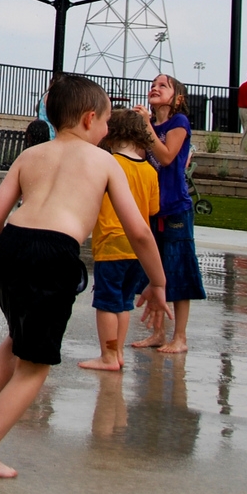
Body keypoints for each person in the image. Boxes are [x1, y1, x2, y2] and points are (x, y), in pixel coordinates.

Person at [0, 74, 169, 478]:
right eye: (106, 122)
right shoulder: (104, 161)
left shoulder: (31, 155)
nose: (107, 131)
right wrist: (157, 283)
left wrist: (4, 255)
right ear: (90, 119)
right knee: (35, 364)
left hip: (13, 244)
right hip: (54, 252)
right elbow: (138, 230)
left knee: (17, 337)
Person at [79, 109, 160, 372]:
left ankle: (107, 356)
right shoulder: (149, 171)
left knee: (105, 303)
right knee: (124, 303)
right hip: (138, 250)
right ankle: (119, 353)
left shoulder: (108, 164)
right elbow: (153, 209)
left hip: (111, 244)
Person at [131, 73, 207, 354]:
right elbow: (140, 156)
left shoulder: (179, 123)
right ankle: (158, 333)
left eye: (163, 85)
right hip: (152, 208)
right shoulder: (149, 125)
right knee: (155, 272)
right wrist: (139, 127)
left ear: (178, 98)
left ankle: (180, 337)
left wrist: (146, 127)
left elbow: (165, 156)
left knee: (178, 271)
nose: (155, 87)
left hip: (176, 208)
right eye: (153, 84)